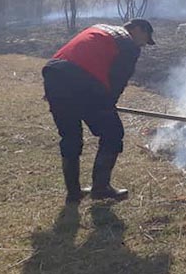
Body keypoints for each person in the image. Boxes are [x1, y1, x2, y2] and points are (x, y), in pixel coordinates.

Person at [42, 19, 155, 203]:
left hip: (54, 75)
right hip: (84, 82)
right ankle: (101, 189)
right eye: (145, 37)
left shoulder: (98, 28)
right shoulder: (127, 43)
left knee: (70, 136)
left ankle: (74, 193)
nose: (143, 44)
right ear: (137, 28)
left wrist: (52, 90)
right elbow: (117, 80)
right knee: (113, 132)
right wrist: (109, 104)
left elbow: (70, 55)